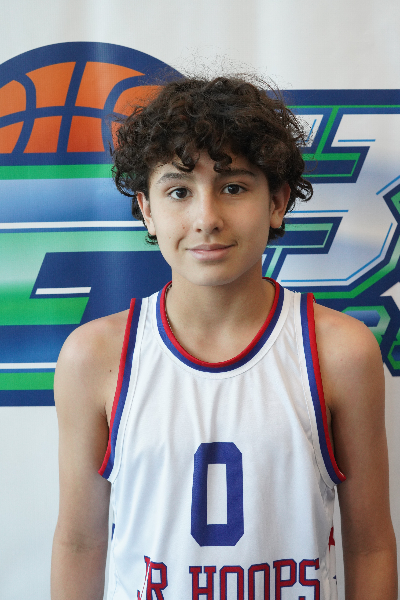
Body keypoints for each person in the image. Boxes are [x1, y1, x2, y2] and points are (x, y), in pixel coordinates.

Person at [51, 76, 397, 600]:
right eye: (179, 191)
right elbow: (79, 543)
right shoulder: (94, 357)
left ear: (277, 201)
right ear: (147, 210)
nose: (206, 218)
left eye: (233, 187)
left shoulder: (340, 351)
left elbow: (370, 546)